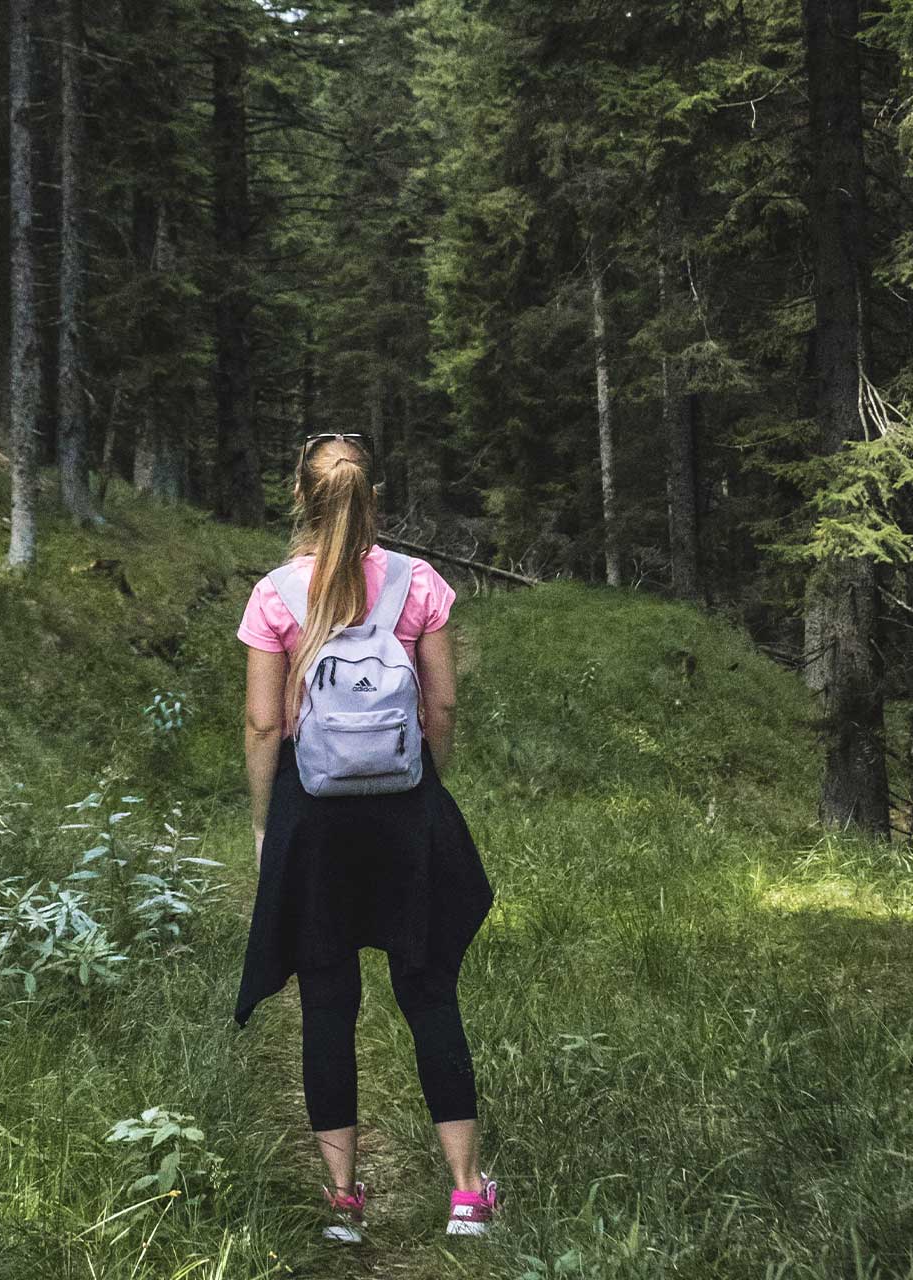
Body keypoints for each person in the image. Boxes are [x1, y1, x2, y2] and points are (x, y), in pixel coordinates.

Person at [231, 431, 500, 1243]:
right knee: (428, 991)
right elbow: (443, 708)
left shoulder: (276, 594)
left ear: (300, 500)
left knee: (328, 1003)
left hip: (317, 816)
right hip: (403, 805)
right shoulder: (419, 584)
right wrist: (426, 779)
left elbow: (262, 723)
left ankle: (344, 1204)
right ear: (372, 496)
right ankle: (464, 1195)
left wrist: (262, 822)